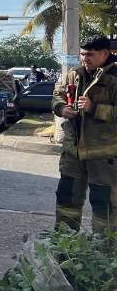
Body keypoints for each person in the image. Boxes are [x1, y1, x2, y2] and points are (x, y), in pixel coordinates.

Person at [52, 35, 117, 233]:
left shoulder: (114, 78)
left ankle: (103, 252)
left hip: (103, 155)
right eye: (82, 54)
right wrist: (62, 108)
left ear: (105, 53)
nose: (84, 59)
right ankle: (65, 245)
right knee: (67, 199)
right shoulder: (74, 74)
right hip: (73, 151)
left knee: (103, 204)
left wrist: (94, 108)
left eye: (90, 54)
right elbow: (57, 95)